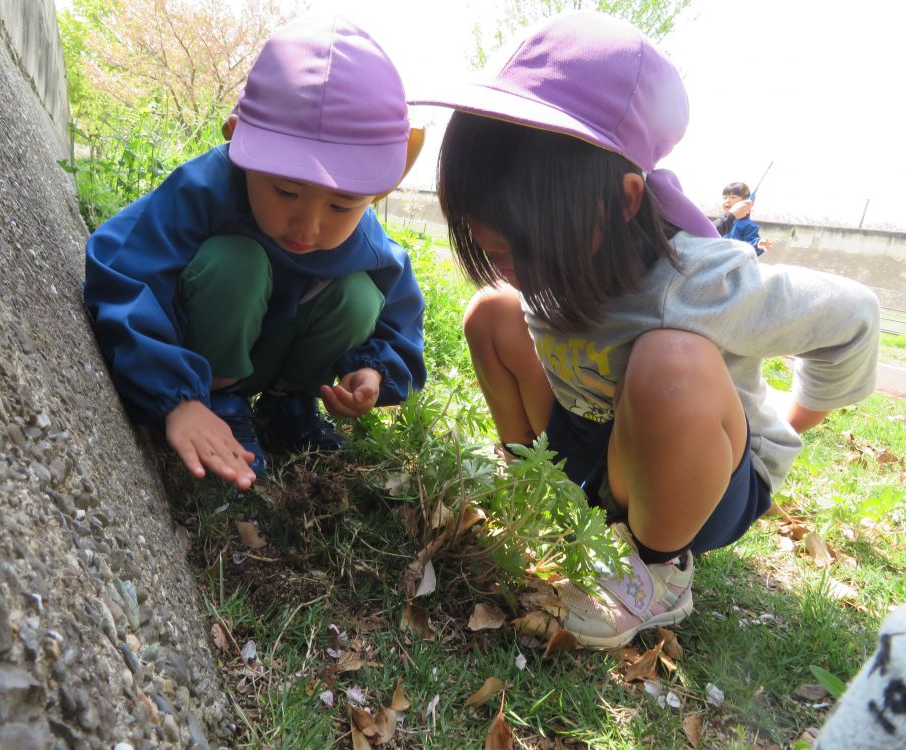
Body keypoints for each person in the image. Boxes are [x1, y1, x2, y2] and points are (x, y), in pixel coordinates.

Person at [412, 11, 879, 648]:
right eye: (493, 251)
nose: (511, 269)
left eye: (524, 251)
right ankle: (533, 484)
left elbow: (854, 316)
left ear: (625, 200)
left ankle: (658, 570)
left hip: (696, 484)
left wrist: (787, 429)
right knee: (490, 313)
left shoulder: (698, 280)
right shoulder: (544, 253)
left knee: (670, 364)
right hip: (596, 446)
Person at [84, 15, 427, 491]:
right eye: (286, 191)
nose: (308, 226)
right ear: (237, 141)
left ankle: (289, 403)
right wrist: (177, 398)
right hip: (201, 353)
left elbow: (401, 323)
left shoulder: (367, 243)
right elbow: (124, 269)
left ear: (376, 193)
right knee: (235, 263)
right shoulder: (207, 189)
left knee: (361, 297)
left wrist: (371, 369)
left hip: (277, 358)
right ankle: (219, 399)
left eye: (342, 204)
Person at [717, 181, 773, 255]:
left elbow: (750, 245)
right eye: (725, 197)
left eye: (733, 197)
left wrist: (758, 244)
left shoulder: (748, 225)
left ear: (747, 202)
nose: (727, 200)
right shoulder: (722, 222)